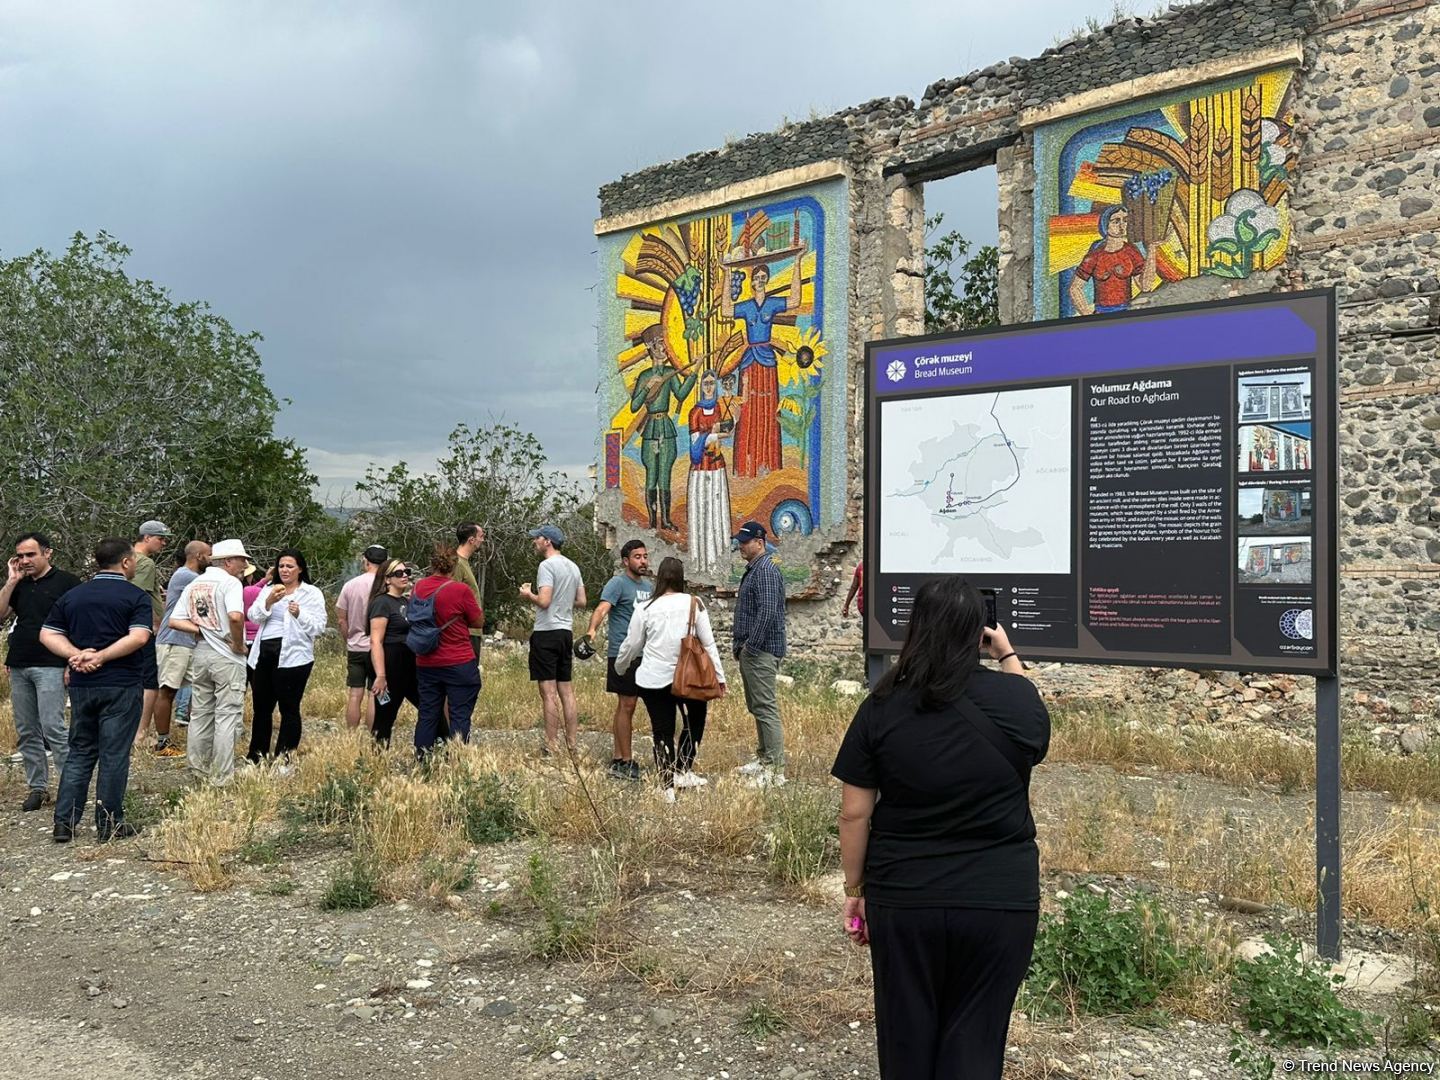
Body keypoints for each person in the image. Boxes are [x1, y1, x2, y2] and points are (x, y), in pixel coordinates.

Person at [831, 579, 1047, 1080]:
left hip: (906, 897)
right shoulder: (1016, 701)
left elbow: (854, 813)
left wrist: (854, 888)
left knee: (906, 1037)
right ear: (979, 633)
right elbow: (1031, 716)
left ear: (916, 629)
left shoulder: (882, 705)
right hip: (1000, 898)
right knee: (976, 1038)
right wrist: (1007, 652)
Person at [39, 537, 153, 843]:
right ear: (127, 562)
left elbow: (47, 633)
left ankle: (64, 822)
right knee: (114, 754)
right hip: (121, 682)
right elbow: (140, 636)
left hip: (82, 685)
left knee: (80, 752)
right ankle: (109, 822)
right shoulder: (135, 596)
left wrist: (74, 654)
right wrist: (101, 656)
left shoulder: (74, 595)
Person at [615, 556, 726, 803]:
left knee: (662, 731)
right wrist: (719, 676)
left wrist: (620, 666)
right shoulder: (693, 604)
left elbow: (632, 644)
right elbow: (708, 643)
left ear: (659, 578)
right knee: (693, 724)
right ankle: (683, 770)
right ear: (681, 577)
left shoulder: (645, 608)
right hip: (689, 678)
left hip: (653, 679)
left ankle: (667, 788)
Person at [1, 532, 81, 811]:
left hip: (52, 663)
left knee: (53, 727)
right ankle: (38, 787)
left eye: (30, 554)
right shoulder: (19, 584)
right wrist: (11, 580)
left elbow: (79, 623)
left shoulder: (67, 582)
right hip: (20, 661)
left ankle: (69, 787)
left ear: (47, 553)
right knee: (26, 730)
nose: (24, 561)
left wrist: (72, 661)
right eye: (20, 556)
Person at [168, 539, 250, 786]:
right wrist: (237, 644)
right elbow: (236, 617)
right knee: (227, 715)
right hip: (226, 656)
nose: (244, 565)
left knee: (201, 714)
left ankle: (197, 769)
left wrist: (203, 630)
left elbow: (174, 620)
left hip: (201, 654)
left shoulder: (195, 583)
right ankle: (222, 776)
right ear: (228, 561)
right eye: (241, 560)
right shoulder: (230, 583)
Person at [719, 243, 804, 478]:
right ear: (751, 281)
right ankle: (746, 464)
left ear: (766, 280)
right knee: (747, 410)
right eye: (756, 277)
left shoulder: (773, 303)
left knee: (767, 411)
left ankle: (767, 462)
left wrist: (797, 262)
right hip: (749, 360)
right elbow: (726, 309)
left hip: (767, 359)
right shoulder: (746, 306)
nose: (759, 280)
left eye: (763, 277)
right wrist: (727, 274)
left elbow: (795, 299)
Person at [245, 548, 326, 761]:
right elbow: (253, 616)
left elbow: (318, 627)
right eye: (281, 566)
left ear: (300, 569)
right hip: (264, 653)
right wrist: (269, 602)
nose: (285, 570)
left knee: (289, 708)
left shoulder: (311, 593)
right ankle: (257, 756)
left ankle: (284, 757)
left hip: (294, 657)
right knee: (262, 708)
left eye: (290, 566)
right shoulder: (269, 590)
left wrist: (299, 614)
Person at [581, 539, 651, 780]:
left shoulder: (650, 587)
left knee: (635, 706)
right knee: (627, 704)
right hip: (623, 653)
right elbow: (602, 609)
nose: (642, 561)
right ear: (625, 561)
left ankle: (621, 757)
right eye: (637, 557)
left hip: (647, 654)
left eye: (644, 556)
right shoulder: (618, 583)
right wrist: (591, 631)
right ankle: (624, 760)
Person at [519, 524, 586, 755]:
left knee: (548, 692)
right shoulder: (573, 566)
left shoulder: (546, 566)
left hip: (546, 631)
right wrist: (563, 601)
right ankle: (572, 743)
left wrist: (529, 595)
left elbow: (544, 601)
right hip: (565, 632)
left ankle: (551, 744)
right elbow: (582, 600)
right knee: (566, 691)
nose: (534, 542)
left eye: (537, 538)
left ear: (547, 541)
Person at [412, 545, 484, 756]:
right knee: (460, 714)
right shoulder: (459, 590)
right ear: (454, 566)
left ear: (432, 564)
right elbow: (478, 621)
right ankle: (457, 760)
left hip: (426, 660)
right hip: (458, 660)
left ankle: (423, 759)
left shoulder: (418, 587)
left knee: (427, 714)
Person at [731, 520, 787, 787]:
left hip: (760, 651)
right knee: (757, 706)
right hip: (753, 651)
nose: (740, 545)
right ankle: (765, 759)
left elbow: (768, 611)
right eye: (739, 541)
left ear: (760, 542)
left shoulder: (765, 570)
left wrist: (751, 646)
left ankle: (775, 770)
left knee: (765, 708)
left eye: (745, 541)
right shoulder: (755, 569)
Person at [630, 325, 696, 532]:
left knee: (665, 473)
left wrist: (694, 372)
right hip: (650, 430)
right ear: (651, 348)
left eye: (665, 345)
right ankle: (652, 521)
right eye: (660, 345)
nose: (665, 349)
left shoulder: (669, 372)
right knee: (651, 474)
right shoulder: (644, 375)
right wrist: (649, 386)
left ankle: (665, 520)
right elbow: (634, 406)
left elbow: (682, 394)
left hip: (666, 428)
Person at [150, 540, 211, 757]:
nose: (211, 559)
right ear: (198, 556)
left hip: (186, 641)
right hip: (174, 640)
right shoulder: (187, 576)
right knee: (167, 689)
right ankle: (162, 741)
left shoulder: (189, 577)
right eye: (208, 555)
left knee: (199, 687)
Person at [1067, 205, 1157, 316]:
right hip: (1102, 312)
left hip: (1128, 311)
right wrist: (1087, 314)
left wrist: (1152, 249)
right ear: (1105, 225)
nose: (1122, 226)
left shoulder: (1131, 250)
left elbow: (1145, 286)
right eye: (1116, 221)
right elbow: (1074, 288)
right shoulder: (1095, 255)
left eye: (1125, 220)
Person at [686, 370, 733, 576]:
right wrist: (714, 433)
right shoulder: (694, 412)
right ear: (700, 385)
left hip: (716, 465)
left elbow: (729, 431)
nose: (708, 387)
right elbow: (696, 441)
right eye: (705, 383)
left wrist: (716, 432)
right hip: (700, 468)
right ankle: (699, 564)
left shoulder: (720, 408)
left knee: (717, 513)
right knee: (701, 514)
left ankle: (719, 564)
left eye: (712, 383)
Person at [368, 559, 419, 747]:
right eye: (398, 573)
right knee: (385, 718)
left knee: (431, 709)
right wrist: (381, 675)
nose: (404, 575)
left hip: (410, 665)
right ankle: (376, 763)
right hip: (390, 663)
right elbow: (376, 640)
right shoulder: (382, 602)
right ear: (387, 579)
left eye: (406, 571)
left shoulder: (406, 601)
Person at [130, 520, 172, 749]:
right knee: (150, 680)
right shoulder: (144, 562)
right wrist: (154, 622)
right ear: (146, 538)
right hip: (143, 628)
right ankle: (141, 733)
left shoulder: (125, 558)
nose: (163, 543)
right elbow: (138, 595)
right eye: (160, 538)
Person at [337, 544, 387, 730]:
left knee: (354, 693)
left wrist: (348, 639)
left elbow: (342, 619)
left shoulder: (350, 585)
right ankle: (374, 735)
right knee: (375, 693)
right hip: (378, 647)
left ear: (365, 561)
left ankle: (351, 736)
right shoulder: (386, 585)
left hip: (355, 646)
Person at [452, 523, 486, 675]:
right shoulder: (457, 564)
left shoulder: (464, 562)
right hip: (464, 633)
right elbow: (451, 598)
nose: (483, 540)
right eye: (481, 536)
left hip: (472, 631)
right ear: (471, 540)